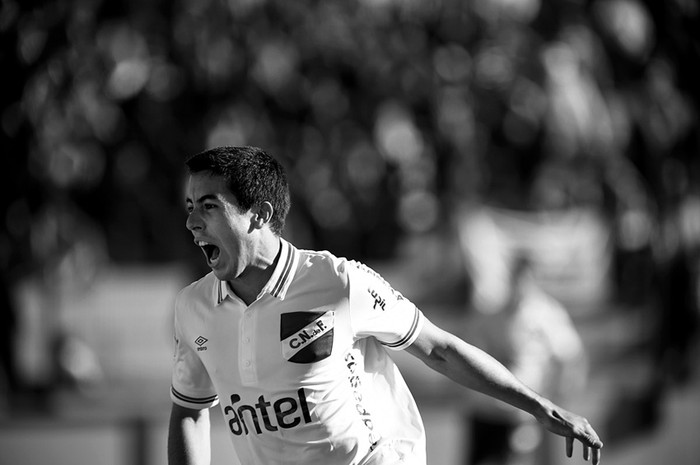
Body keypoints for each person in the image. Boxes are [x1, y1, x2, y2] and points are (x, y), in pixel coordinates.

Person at [168, 146, 603, 465]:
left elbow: (439, 348)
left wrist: (536, 404)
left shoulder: (338, 282)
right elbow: (189, 410)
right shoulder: (193, 308)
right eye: (190, 207)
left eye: (209, 206)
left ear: (259, 214)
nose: (192, 222)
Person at [463, 252, 589, 465]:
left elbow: (570, 355)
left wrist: (562, 391)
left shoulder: (546, 314)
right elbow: (476, 350)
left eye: (525, 277)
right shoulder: (494, 312)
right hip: (486, 406)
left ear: (534, 279)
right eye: (516, 276)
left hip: (521, 409)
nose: (520, 283)